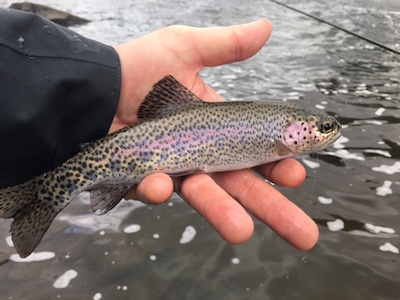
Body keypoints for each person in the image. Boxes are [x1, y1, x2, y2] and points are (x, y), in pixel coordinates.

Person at [0, 8, 318, 251]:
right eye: (322, 128)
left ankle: (40, 193)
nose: (324, 134)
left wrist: (107, 78)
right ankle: (44, 194)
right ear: (294, 131)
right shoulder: (279, 142)